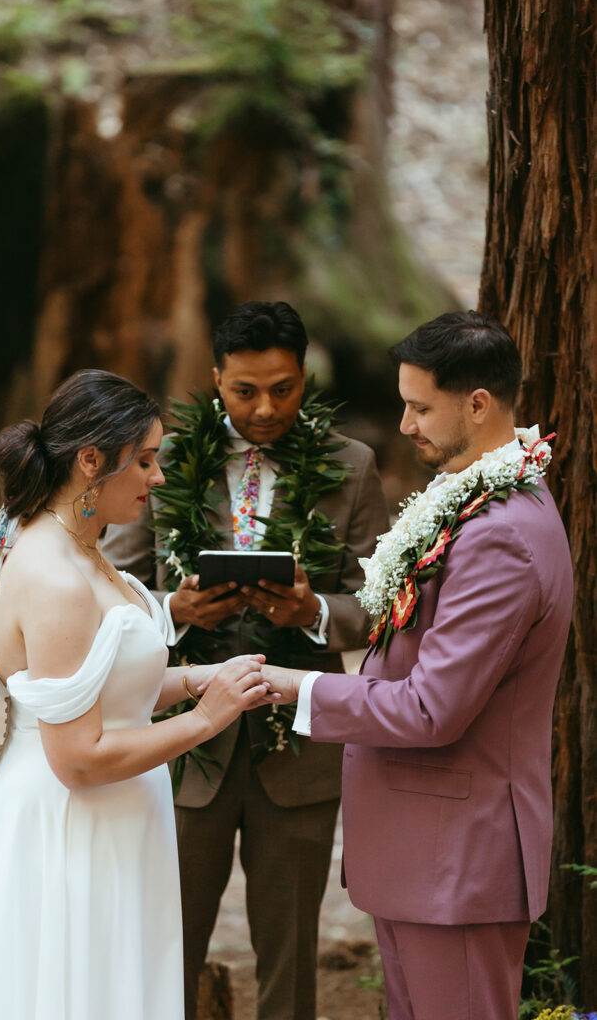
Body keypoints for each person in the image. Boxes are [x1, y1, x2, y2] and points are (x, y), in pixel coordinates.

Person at [0, 369, 275, 1020]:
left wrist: (198, 680)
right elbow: (77, 757)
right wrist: (204, 718)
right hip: (66, 830)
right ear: (90, 461)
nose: (156, 478)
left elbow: (105, 691)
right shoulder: (54, 576)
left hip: (118, 822)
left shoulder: (87, 550)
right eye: (143, 461)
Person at [259, 311, 574, 1020]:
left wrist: (301, 687)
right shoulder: (471, 500)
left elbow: (433, 709)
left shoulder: (502, 537)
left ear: (477, 404)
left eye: (418, 407)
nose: (403, 425)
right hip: (420, 855)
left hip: (458, 861)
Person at [103, 301, 389, 1020]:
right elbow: (108, 590)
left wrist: (313, 612)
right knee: (165, 945)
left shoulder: (351, 467)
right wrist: (174, 611)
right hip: (180, 745)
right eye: (244, 391)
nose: (265, 408)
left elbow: (381, 603)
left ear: (304, 379)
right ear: (215, 380)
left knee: (289, 958)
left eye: (284, 388)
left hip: (296, 748)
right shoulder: (159, 462)